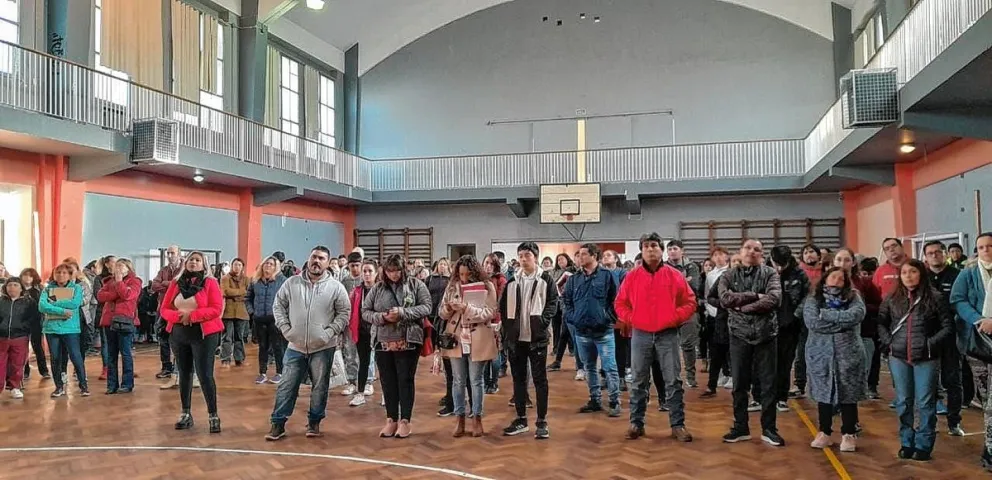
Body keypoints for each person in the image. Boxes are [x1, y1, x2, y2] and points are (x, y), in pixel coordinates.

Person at [616, 233, 697, 441]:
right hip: (640, 335)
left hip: (667, 334)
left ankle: (677, 425)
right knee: (638, 381)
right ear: (641, 251)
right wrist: (633, 318)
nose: (650, 249)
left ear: (661, 250)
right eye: (646, 246)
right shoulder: (632, 276)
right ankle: (636, 423)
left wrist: (673, 318)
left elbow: (689, 301)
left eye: (654, 245)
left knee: (673, 381)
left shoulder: (674, 275)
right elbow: (620, 304)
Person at [264, 246, 350, 441]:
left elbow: (344, 313)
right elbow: (278, 306)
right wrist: (286, 329)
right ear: (308, 259)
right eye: (314, 257)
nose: (316, 261)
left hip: (323, 347)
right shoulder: (291, 283)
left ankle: (314, 422)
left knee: (320, 387)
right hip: (295, 346)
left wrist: (329, 333)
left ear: (328, 263)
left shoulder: (336, 287)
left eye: (321, 258)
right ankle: (278, 423)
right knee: (287, 385)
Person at [878, 259, 954, 462]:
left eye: (913, 271)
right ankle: (906, 441)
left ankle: (923, 444)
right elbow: (881, 323)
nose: (909, 276)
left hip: (927, 358)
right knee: (903, 401)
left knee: (925, 402)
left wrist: (930, 345)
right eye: (904, 273)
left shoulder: (936, 298)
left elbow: (947, 326)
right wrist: (890, 344)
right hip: (899, 357)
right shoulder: (892, 298)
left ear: (921, 273)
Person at [719, 238, 784, 447]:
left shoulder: (770, 274)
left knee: (768, 384)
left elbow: (774, 299)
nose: (751, 252)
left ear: (761, 254)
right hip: (739, 335)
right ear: (740, 251)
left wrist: (743, 307)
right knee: (739, 384)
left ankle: (769, 428)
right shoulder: (728, 275)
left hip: (767, 336)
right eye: (748, 248)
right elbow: (725, 300)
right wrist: (755, 296)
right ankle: (740, 427)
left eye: (757, 249)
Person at [363, 254, 432, 439]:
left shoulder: (416, 285)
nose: (393, 275)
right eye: (389, 271)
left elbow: (427, 307)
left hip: (409, 340)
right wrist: (382, 317)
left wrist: (403, 312)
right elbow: (365, 311)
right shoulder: (377, 288)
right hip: (382, 341)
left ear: (404, 270)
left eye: (397, 271)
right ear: (384, 271)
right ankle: (391, 419)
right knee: (387, 381)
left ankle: (405, 421)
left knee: (405, 380)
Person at [159, 251, 225, 433]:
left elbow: (216, 309)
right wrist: (180, 317)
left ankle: (213, 414)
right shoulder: (176, 283)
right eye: (190, 260)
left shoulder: (210, 283)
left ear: (204, 265)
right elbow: (164, 309)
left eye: (197, 260)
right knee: (184, 373)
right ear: (185, 263)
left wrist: (193, 316)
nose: (193, 263)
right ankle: (185, 413)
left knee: (205, 375)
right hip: (179, 333)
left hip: (204, 334)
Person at [804, 267, 867, 452]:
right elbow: (813, 322)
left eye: (841, 278)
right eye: (833, 276)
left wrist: (827, 315)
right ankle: (824, 432)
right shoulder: (813, 299)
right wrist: (841, 325)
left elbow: (856, 315)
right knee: (824, 393)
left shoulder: (854, 297)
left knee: (848, 393)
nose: (837, 280)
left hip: (849, 353)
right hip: (820, 353)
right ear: (825, 279)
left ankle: (849, 433)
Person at [501, 242, 558, 439]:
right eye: (520, 255)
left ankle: (542, 421)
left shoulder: (546, 280)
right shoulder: (512, 281)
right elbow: (503, 308)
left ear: (535, 257)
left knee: (540, 379)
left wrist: (542, 322)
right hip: (516, 339)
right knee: (518, 379)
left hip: (537, 338)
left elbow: (553, 303)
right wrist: (507, 332)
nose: (523, 259)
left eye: (527, 255)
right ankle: (521, 418)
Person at [440, 255, 499, 437]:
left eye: (467, 274)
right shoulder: (452, 286)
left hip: (478, 336)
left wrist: (467, 308)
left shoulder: (487, 286)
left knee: (476, 380)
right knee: (458, 380)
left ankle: (477, 418)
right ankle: (459, 418)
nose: (463, 278)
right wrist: (449, 308)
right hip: (456, 337)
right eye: (461, 274)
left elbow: (490, 312)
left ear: (474, 272)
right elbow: (441, 312)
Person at [563, 243, 621, 417]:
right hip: (581, 332)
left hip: (603, 332)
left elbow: (616, 300)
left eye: (583, 254)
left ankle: (614, 401)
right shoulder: (574, 279)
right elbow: (567, 301)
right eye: (579, 255)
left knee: (610, 368)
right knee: (589, 368)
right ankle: (594, 399)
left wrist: (607, 318)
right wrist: (573, 318)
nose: (579, 257)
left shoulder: (607, 276)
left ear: (594, 256)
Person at [950, 232, 992, 469]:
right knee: (988, 399)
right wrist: (979, 320)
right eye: (981, 247)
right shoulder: (968, 274)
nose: (985, 250)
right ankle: (990, 448)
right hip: (977, 344)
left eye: (989, 246)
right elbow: (958, 300)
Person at [922, 240, 965, 435]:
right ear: (925, 257)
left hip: (951, 336)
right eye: (930, 253)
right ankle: (927, 421)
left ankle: (954, 422)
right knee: (927, 382)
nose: (934, 255)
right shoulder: (921, 277)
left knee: (952, 380)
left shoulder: (958, 275)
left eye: (938, 252)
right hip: (927, 337)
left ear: (945, 254)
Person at [834, 248, 883, 400]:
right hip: (836, 335)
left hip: (862, 335)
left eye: (847, 260)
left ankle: (852, 413)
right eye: (839, 259)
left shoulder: (863, 283)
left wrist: (859, 308)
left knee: (858, 374)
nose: (843, 263)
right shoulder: (827, 282)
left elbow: (878, 304)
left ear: (853, 262)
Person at [38, 263, 90, 398]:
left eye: (64, 273)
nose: (61, 275)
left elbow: (75, 303)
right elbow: (42, 306)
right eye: (58, 272)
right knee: (55, 358)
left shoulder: (76, 288)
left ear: (70, 275)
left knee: (76, 356)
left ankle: (83, 385)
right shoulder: (47, 289)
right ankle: (59, 386)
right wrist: (62, 310)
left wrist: (54, 303)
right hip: (51, 328)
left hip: (70, 328)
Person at [768, 246, 809, 412]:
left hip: (790, 326)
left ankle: (781, 398)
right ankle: (764, 397)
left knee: (785, 364)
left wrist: (796, 315)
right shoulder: (764, 272)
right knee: (767, 364)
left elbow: (807, 296)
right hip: (767, 325)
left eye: (782, 265)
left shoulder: (798, 274)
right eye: (776, 264)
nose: (779, 268)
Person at [97, 258, 142, 394]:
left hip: (124, 321)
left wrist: (119, 282)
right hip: (109, 321)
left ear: (128, 268)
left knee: (126, 353)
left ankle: (127, 384)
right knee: (111, 354)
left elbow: (128, 294)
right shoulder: (108, 281)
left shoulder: (135, 281)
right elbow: (100, 296)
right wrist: (115, 292)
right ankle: (112, 385)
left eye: (121, 266)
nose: (118, 268)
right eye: (116, 266)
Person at [665, 240, 703, 389]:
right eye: (670, 249)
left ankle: (690, 376)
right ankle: (672, 376)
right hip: (668, 310)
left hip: (688, 310)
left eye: (675, 248)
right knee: (668, 345)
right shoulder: (663, 267)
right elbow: (662, 289)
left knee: (688, 345)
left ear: (682, 251)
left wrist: (673, 283)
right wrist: (683, 280)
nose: (672, 251)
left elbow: (694, 286)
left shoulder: (692, 266)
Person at [246, 256, 287, 384]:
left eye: (271, 264)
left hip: (275, 319)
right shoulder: (255, 281)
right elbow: (248, 298)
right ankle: (262, 373)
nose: (268, 266)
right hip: (259, 319)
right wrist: (252, 312)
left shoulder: (282, 281)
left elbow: (288, 300)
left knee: (278, 347)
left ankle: (280, 372)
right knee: (262, 347)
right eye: (266, 264)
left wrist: (283, 316)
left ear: (276, 267)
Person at [347, 260, 378, 407]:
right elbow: (352, 310)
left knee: (384, 365)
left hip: (380, 332)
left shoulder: (382, 289)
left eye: (370, 271)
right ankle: (360, 394)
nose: (366, 274)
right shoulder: (357, 291)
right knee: (363, 363)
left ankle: (386, 395)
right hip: (362, 332)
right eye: (364, 271)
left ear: (376, 273)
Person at [153, 245, 184, 382]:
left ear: (179, 254)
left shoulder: (185, 269)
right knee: (163, 338)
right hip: (163, 309)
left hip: (179, 310)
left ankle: (180, 368)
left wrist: (165, 284)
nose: (170, 255)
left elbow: (182, 285)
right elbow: (154, 285)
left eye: (173, 253)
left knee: (179, 340)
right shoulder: (163, 270)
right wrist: (170, 283)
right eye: (168, 253)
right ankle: (166, 367)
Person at [0, 278, 34, 399]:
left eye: (15, 285)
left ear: (21, 288)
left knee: (17, 364)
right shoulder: (1, 301)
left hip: (20, 337)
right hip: (2, 338)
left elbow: (33, 319)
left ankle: (15, 387)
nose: (12, 287)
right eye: (9, 285)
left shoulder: (29, 302)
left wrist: (24, 328)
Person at [220, 258, 250, 368]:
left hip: (242, 312)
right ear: (232, 266)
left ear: (242, 267)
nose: (237, 267)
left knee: (240, 337)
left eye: (239, 265)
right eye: (235, 264)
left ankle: (239, 359)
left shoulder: (247, 279)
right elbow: (226, 291)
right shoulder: (225, 278)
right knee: (227, 337)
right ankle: (225, 359)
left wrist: (234, 295)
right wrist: (241, 292)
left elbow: (249, 294)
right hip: (228, 311)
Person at [19, 268, 48, 380]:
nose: (27, 278)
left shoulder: (39, 289)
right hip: (22, 322)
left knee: (37, 346)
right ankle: (25, 371)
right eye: (25, 275)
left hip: (36, 321)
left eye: (30, 276)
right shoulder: (19, 289)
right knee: (23, 347)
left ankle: (44, 370)